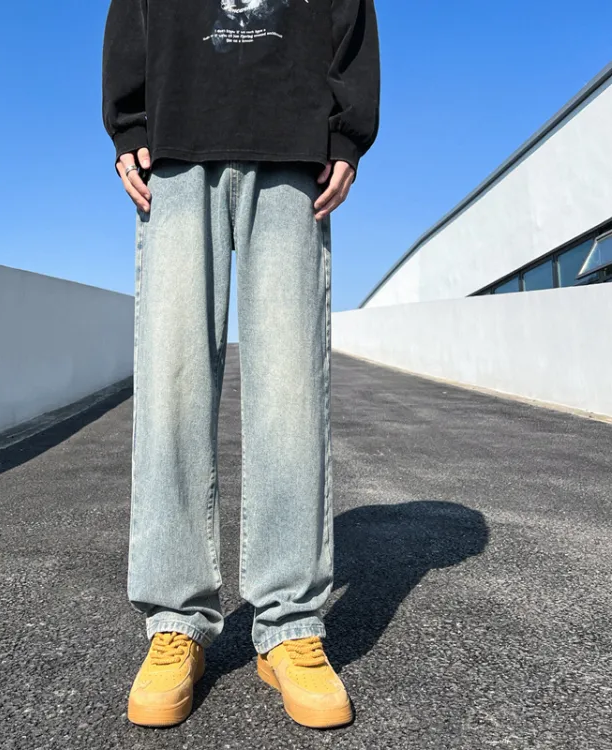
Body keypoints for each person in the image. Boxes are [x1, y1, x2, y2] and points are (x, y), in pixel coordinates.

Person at [102, 0, 380, 730]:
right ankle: (175, 619)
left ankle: (289, 624)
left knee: (290, 393)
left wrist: (347, 133)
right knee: (172, 386)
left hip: (292, 146)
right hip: (176, 145)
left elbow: (350, 16)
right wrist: (128, 125)